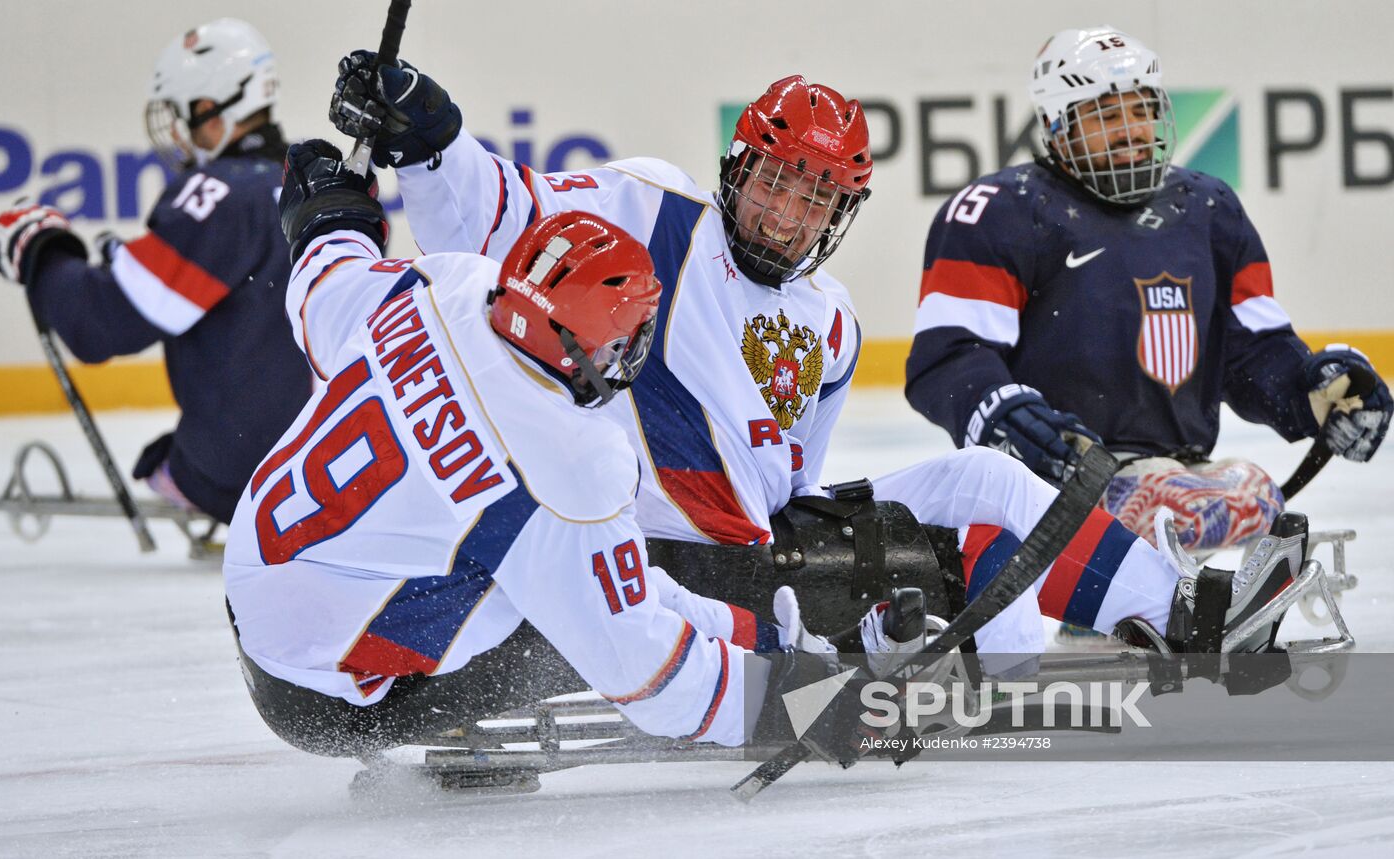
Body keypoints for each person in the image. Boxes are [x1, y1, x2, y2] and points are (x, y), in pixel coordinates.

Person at [323, 51, 1320, 664]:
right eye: (775, 178)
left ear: (839, 214)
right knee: (940, 557)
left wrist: (855, 544)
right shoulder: (648, 207)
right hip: (644, 546)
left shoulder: (831, 321)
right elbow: (484, 219)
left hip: (758, 547)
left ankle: (1183, 609)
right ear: (737, 164)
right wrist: (427, 138)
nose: (786, 209)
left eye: (815, 196)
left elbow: (788, 479)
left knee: (981, 477)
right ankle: (1009, 657)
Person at [224, 139, 925, 761]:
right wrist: (798, 706)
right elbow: (649, 673)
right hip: (327, 700)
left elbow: (325, 293)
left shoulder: (445, 287)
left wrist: (328, 215)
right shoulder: (567, 465)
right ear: (592, 351)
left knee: (563, 566)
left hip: (256, 577)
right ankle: (450, 719)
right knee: (567, 604)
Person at [906, 26, 1392, 555]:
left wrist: (1315, 391)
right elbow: (949, 358)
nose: (1132, 130)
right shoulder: (996, 210)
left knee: (1251, 496)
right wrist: (1008, 419)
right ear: (1054, 124)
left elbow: (1253, 349)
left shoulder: (1208, 208)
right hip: (1047, 484)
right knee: (1190, 504)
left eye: (1143, 111)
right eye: (1106, 116)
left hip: (1175, 475)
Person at [0, 18, 312, 524]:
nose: (180, 133)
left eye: (186, 115)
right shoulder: (319, 182)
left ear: (210, 110)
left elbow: (103, 323)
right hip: (344, 462)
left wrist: (40, 252)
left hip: (247, 473)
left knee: (178, 462)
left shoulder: (219, 196)